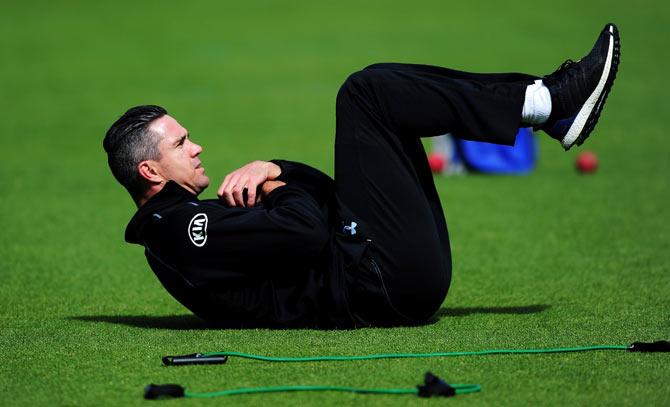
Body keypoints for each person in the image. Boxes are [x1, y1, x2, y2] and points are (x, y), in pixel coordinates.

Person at [103, 24, 620, 328]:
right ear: (149, 169)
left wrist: (275, 170)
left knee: (377, 96)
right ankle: (549, 102)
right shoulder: (178, 230)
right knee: (365, 92)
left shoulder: (185, 217)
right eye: (179, 143)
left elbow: (327, 193)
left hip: (382, 273)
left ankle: (547, 103)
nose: (196, 148)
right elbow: (305, 231)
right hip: (381, 283)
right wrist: (281, 188)